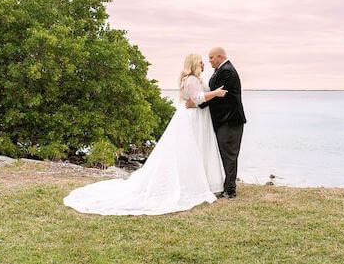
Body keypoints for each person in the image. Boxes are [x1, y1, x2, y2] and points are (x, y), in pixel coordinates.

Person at [63, 53, 226, 215]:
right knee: (187, 151)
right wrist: (216, 94)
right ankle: (189, 184)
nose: (204, 64)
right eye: (201, 62)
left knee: (196, 149)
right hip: (191, 118)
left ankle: (200, 181)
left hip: (198, 117)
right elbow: (197, 99)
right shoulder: (190, 79)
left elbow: (197, 99)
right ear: (193, 64)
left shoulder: (198, 79)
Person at [186, 47, 246, 198]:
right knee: (226, 154)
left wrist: (197, 104)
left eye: (211, 57)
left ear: (220, 56)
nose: (209, 60)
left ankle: (230, 190)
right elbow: (213, 94)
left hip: (230, 120)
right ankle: (227, 186)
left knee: (229, 155)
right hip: (223, 121)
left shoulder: (227, 71)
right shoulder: (221, 70)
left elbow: (220, 96)